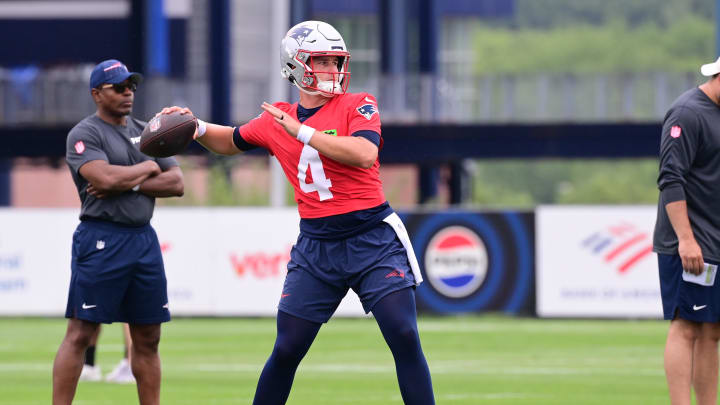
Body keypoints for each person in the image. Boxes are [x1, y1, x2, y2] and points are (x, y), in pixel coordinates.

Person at [161, 20, 435, 404]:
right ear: (296, 65)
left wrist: (301, 132)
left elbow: (364, 153)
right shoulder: (277, 120)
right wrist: (195, 127)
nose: (331, 70)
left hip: (372, 237)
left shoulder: (358, 104)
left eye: (334, 61)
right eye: (321, 60)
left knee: (403, 333)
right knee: (288, 347)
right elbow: (232, 140)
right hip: (317, 246)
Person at [53, 59, 184, 405]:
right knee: (81, 332)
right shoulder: (85, 133)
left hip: (143, 239)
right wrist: (147, 166)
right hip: (101, 238)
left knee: (148, 337)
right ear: (96, 93)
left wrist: (131, 181)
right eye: (119, 87)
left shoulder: (149, 132)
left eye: (131, 86)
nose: (128, 93)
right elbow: (103, 179)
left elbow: (176, 182)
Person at [654, 56, 720, 405]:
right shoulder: (687, 113)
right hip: (689, 243)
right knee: (687, 326)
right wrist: (686, 239)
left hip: (716, 241)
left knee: (712, 332)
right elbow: (670, 179)